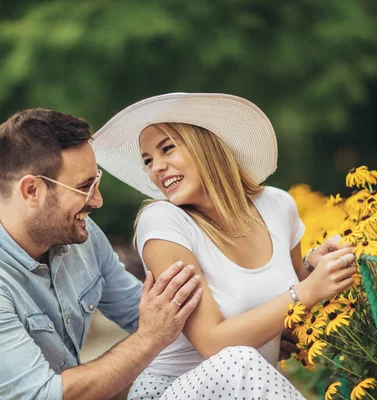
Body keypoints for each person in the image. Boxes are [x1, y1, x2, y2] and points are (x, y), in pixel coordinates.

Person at [92, 93, 358, 399]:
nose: (157, 168)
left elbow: (290, 310)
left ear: (206, 144)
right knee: (238, 359)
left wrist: (315, 267)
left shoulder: (278, 206)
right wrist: (307, 291)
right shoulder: (164, 222)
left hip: (251, 388)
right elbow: (213, 343)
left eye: (167, 149)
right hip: (174, 389)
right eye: (148, 160)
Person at [0, 109, 204, 400]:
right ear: (32, 190)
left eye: (96, 182)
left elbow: (154, 313)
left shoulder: (82, 236)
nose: (97, 200)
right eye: (84, 187)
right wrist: (149, 339)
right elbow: (44, 396)